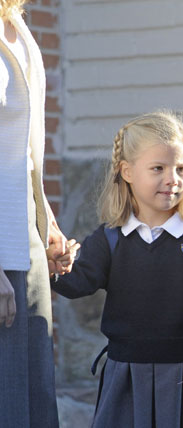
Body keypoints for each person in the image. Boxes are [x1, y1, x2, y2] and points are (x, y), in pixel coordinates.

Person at [51, 111, 183, 428]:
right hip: (126, 374)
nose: (172, 178)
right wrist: (56, 266)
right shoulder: (110, 238)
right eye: (158, 168)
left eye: (181, 169)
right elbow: (77, 282)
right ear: (127, 172)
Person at [0, 1, 77, 427]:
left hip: (23, 236)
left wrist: (44, 222)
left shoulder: (17, 25)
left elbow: (19, 152)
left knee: (35, 402)